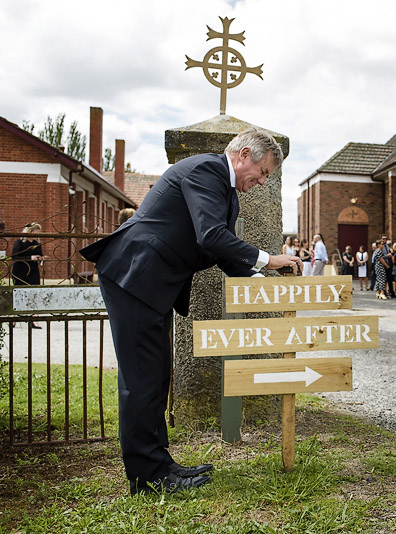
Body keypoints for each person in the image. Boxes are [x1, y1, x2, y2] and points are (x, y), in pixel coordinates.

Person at [79, 127, 302, 495]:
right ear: (244, 155)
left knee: (156, 377)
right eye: (263, 173)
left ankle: (160, 464)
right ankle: (147, 478)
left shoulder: (223, 190)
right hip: (134, 277)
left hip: (149, 286)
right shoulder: (205, 170)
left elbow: (221, 253)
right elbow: (211, 236)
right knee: (141, 383)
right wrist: (271, 257)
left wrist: (268, 280)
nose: (262, 182)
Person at [12, 223, 46, 328]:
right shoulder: (19, 242)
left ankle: (34, 319)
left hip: (33, 271)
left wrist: (41, 259)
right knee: (18, 293)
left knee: (34, 294)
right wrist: (30, 257)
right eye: (36, 233)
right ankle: (14, 318)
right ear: (30, 232)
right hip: (20, 271)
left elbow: (39, 255)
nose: (37, 235)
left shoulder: (37, 243)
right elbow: (14, 257)